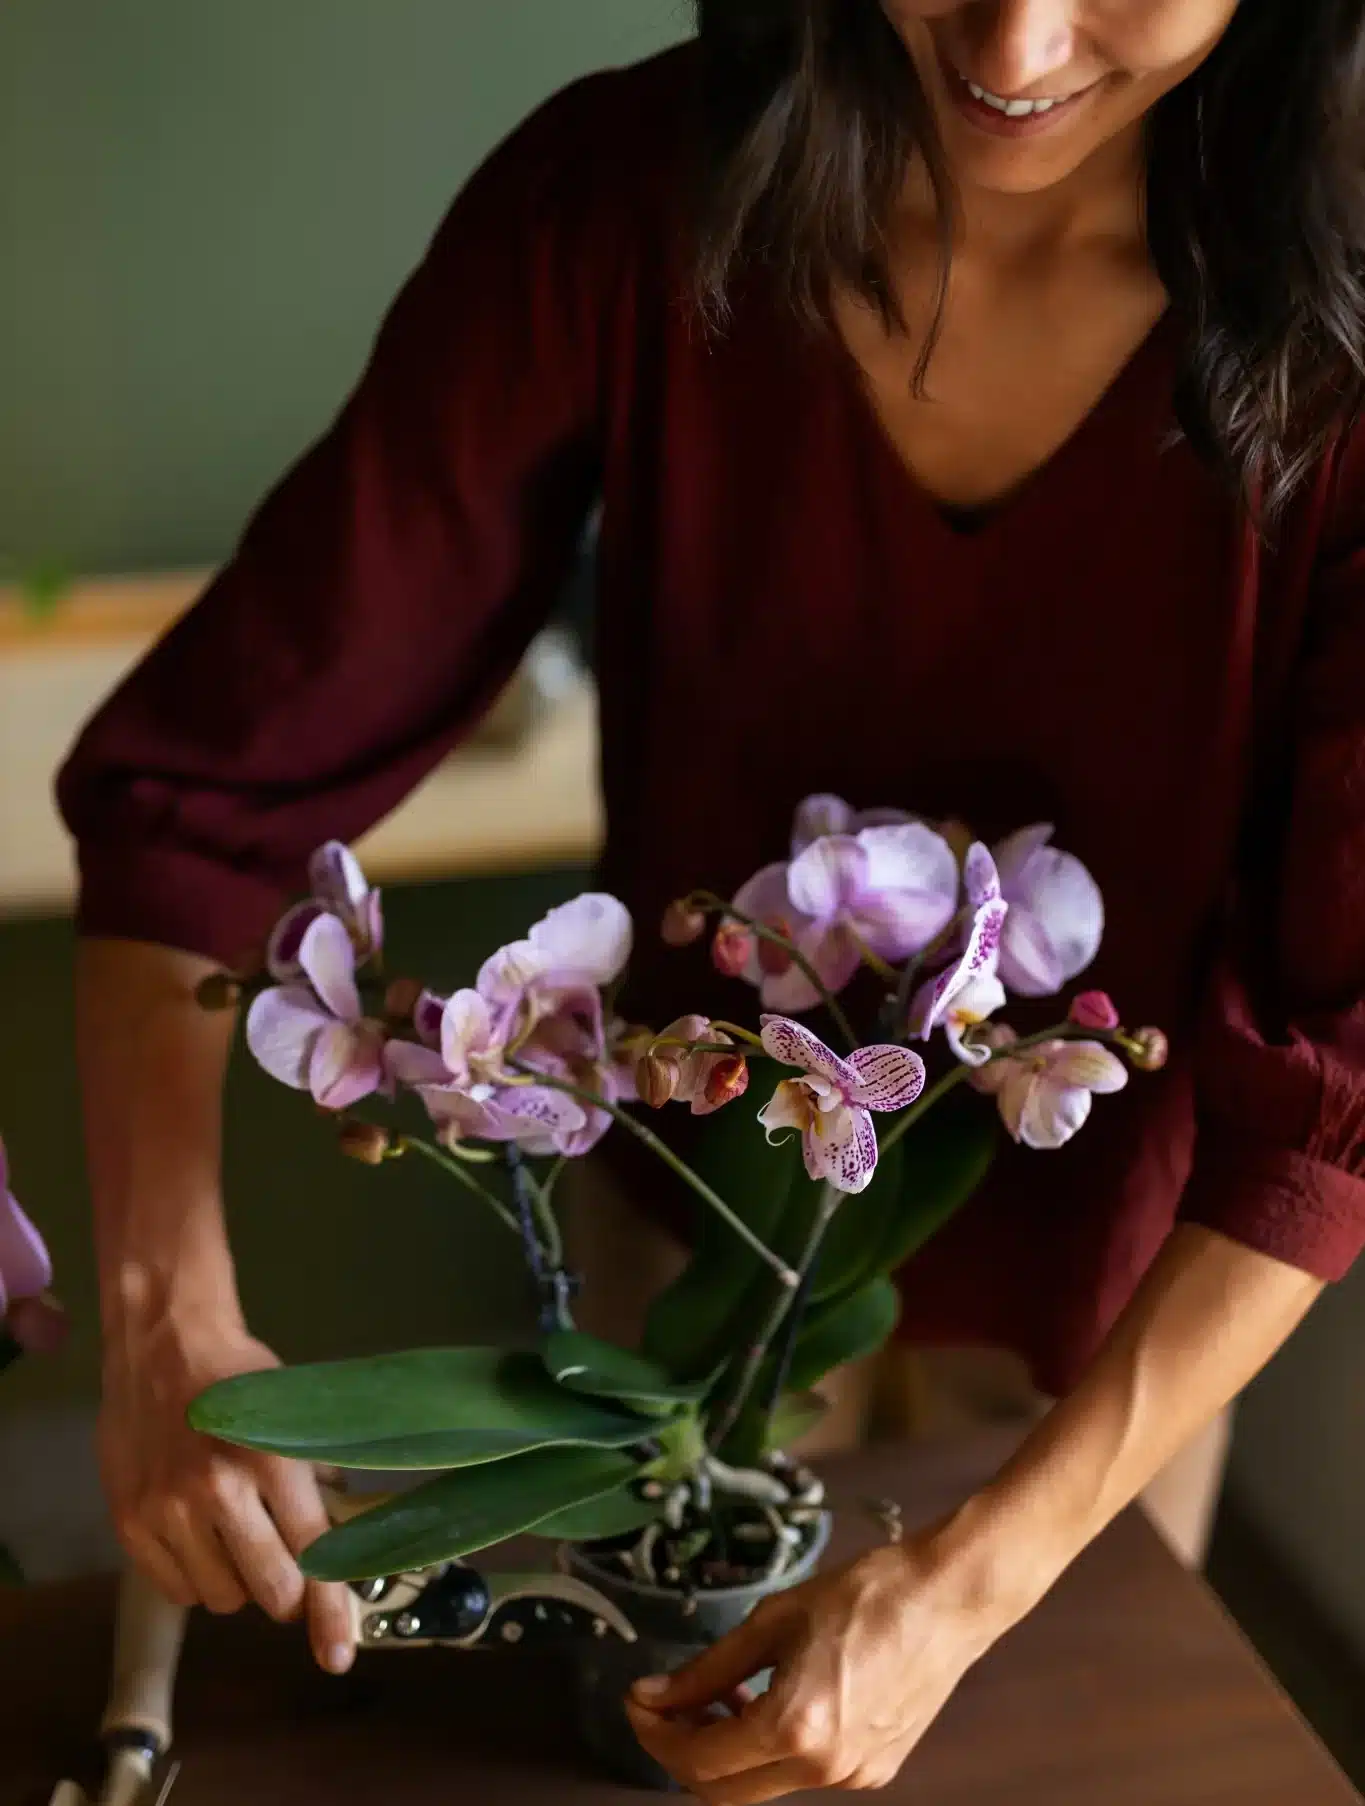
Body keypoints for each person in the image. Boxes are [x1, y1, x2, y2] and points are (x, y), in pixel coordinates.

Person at [57, 1, 1365, 1797]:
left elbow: (1338, 1087)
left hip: (1130, 1320)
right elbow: (196, 791)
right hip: (684, 1262)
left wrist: (973, 1580)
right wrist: (158, 1318)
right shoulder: (626, 207)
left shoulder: (1349, 336)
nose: (1016, 33)